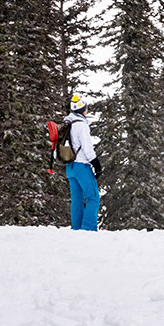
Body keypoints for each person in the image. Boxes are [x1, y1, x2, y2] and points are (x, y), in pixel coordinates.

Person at [65, 95, 101, 231]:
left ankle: (77, 229)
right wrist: (96, 164)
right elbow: (87, 148)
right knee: (93, 197)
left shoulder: (69, 123)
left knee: (77, 199)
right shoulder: (81, 125)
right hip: (81, 166)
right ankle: (88, 230)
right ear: (83, 109)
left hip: (70, 167)